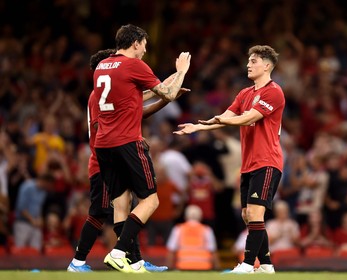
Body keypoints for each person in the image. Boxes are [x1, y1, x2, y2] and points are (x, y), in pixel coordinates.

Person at [67, 48, 188, 272]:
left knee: (123, 204)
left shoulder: (104, 93)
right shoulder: (97, 97)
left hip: (107, 153)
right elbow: (137, 107)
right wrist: (171, 87)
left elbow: (142, 99)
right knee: (100, 211)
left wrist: (170, 84)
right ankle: (79, 262)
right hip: (104, 158)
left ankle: (135, 260)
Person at [175, 45, 285, 274]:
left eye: (253, 61)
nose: (248, 64)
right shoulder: (244, 94)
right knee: (247, 215)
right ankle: (265, 265)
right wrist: (197, 127)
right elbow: (226, 117)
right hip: (248, 164)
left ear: (267, 65)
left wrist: (219, 121)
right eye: (248, 60)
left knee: (255, 213)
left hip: (267, 161)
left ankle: (247, 264)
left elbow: (248, 119)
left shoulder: (273, 92)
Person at [166, 204, 220, 270]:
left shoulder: (178, 229)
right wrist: (218, 269)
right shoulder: (207, 230)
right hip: (204, 269)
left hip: (183, 268)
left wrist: (167, 270)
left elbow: (171, 252)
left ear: (185, 216)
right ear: (200, 217)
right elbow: (213, 252)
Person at [14, 173, 54, 250]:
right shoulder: (27, 187)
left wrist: (40, 219)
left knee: (36, 250)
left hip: (35, 224)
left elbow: (39, 208)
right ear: (45, 182)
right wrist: (32, 220)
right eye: (49, 185)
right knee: (20, 251)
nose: (50, 188)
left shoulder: (43, 192)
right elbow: (21, 207)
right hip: (23, 223)